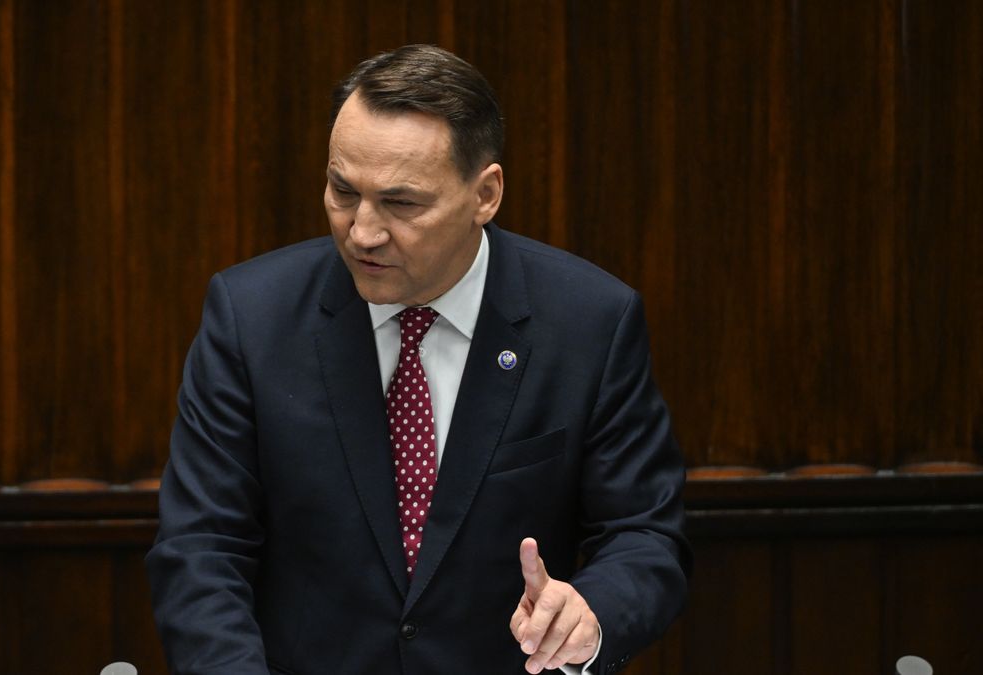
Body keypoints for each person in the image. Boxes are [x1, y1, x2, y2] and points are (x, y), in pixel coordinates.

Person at [146, 44, 690, 675]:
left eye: (402, 204)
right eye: (342, 190)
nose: (363, 231)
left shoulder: (590, 322)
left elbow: (646, 536)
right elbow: (202, 548)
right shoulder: (251, 318)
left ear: (485, 194)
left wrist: (592, 612)